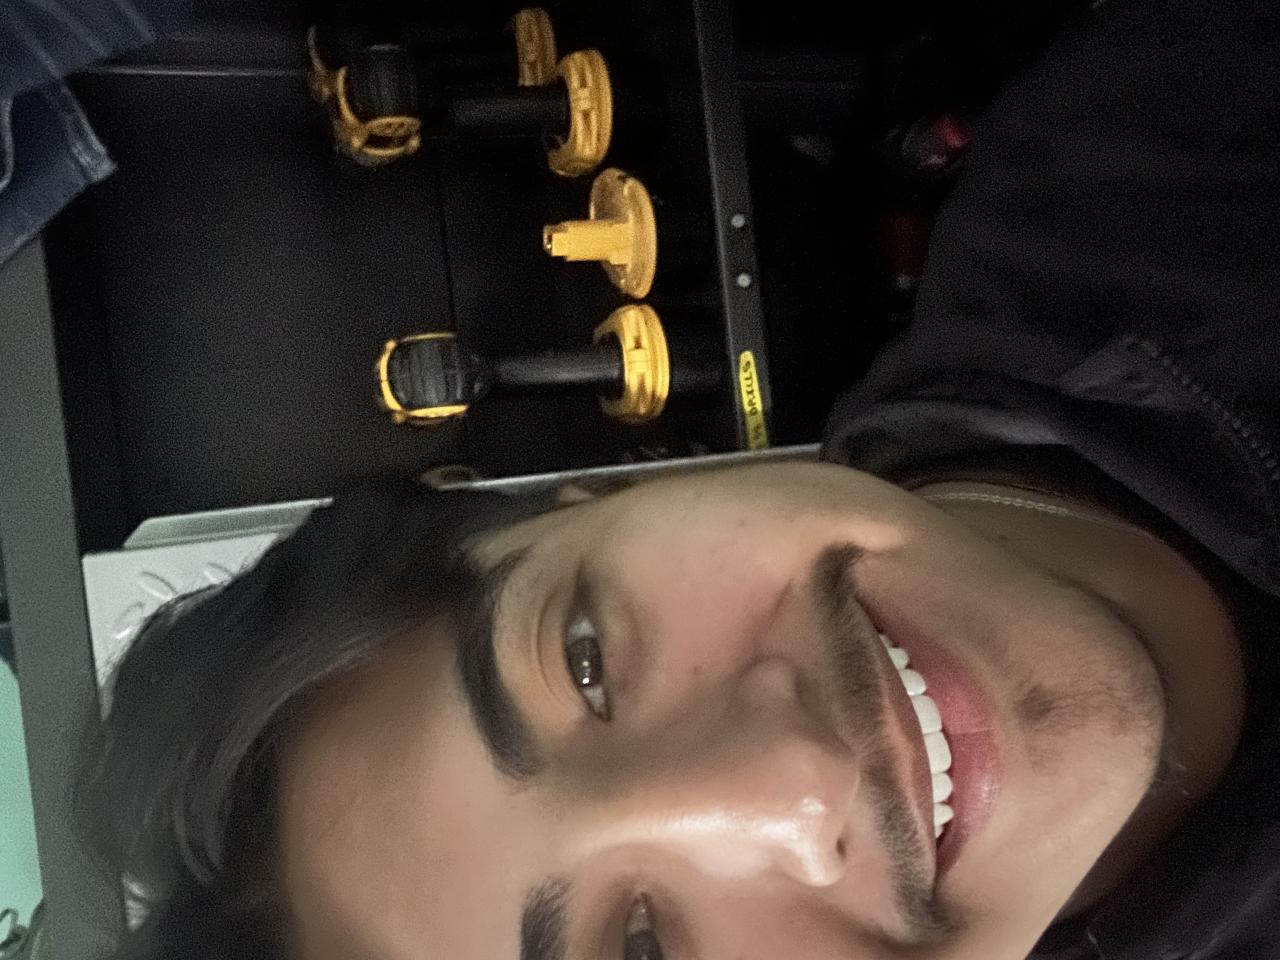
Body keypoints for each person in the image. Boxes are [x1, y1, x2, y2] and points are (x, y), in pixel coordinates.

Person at [80, 0, 1280, 957]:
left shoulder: (1172, 124)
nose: (790, 788)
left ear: (595, 493)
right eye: (642, 949)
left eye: (584, 659)